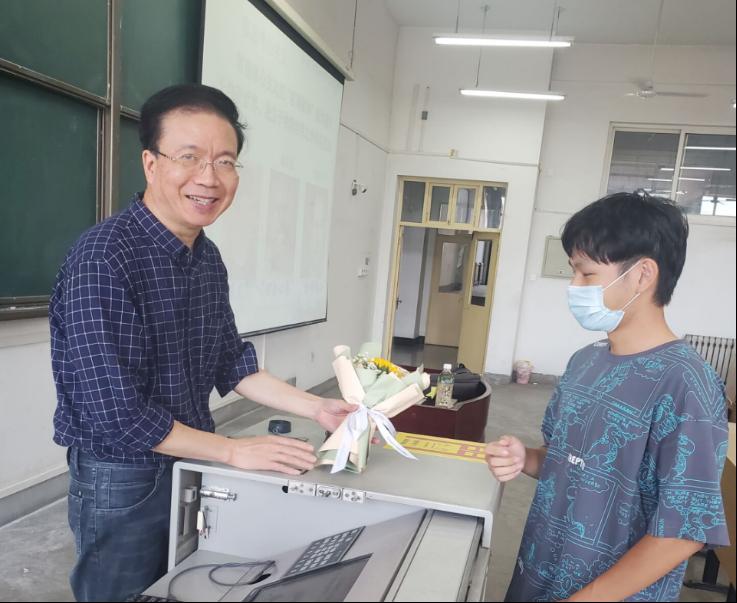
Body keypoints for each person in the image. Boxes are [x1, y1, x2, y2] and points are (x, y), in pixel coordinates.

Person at [49, 83, 355, 602]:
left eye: (225, 162)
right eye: (189, 157)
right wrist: (234, 452)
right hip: (122, 475)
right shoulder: (103, 258)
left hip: (189, 457)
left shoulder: (205, 257)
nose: (209, 178)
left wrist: (317, 407)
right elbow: (118, 416)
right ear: (151, 163)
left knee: (178, 587)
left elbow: (231, 361)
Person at [485, 191, 729, 602]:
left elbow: (684, 530)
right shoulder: (585, 362)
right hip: (538, 576)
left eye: (587, 274)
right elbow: (567, 462)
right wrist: (525, 458)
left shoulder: (686, 384)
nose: (574, 287)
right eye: (573, 273)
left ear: (642, 275)